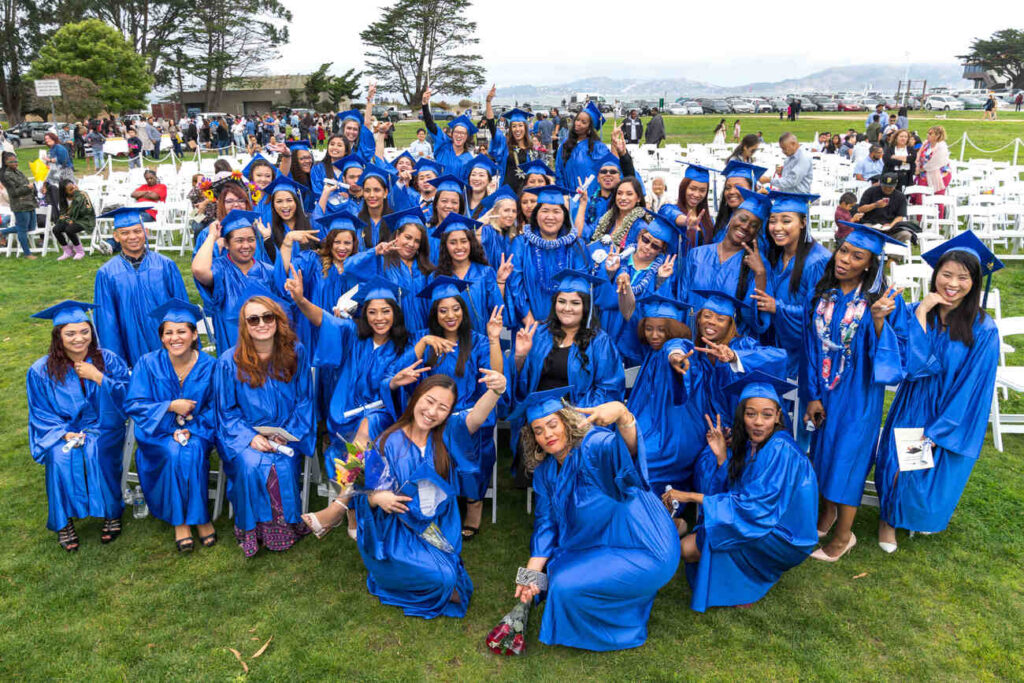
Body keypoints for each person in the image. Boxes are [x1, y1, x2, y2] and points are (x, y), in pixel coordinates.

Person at [513, 388, 679, 651]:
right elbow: (547, 523)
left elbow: (625, 454)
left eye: (553, 424)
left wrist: (624, 417)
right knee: (554, 577)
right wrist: (532, 571)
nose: (548, 434)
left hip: (646, 544)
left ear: (567, 422)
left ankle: (625, 625)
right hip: (608, 541)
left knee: (565, 586)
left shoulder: (591, 446)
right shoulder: (544, 474)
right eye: (538, 430)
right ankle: (620, 604)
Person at [875, 233, 1001, 552]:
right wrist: (920, 313)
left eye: (963, 277)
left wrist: (942, 426)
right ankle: (887, 522)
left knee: (921, 469)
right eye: (946, 274)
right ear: (936, 274)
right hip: (914, 402)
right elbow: (913, 367)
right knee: (898, 464)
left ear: (974, 281)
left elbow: (974, 385)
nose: (953, 283)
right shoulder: (920, 310)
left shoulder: (984, 329)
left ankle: (906, 515)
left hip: (950, 408)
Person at [356, 370, 506, 618]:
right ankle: (393, 575)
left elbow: (477, 417)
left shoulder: (447, 434)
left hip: (436, 526)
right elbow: (364, 492)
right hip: (397, 530)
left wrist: (496, 390)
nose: (432, 412)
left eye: (443, 407)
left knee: (449, 579)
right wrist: (377, 498)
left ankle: (427, 577)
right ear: (416, 397)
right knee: (446, 580)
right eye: (429, 401)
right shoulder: (386, 441)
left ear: (449, 413)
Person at [669, 372, 818, 612]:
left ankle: (756, 575)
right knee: (689, 550)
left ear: (778, 416)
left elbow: (752, 508)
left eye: (767, 415)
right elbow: (737, 491)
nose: (758, 422)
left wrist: (688, 496)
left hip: (783, 532)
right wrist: (720, 457)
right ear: (742, 415)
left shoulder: (781, 449)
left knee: (688, 549)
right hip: (759, 520)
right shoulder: (751, 444)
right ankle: (746, 576)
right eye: (751, 414)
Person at [803, 223, 908, 562]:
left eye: (856, 256)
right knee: (824, 454)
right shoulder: (823, 294)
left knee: (847, 460)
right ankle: (828, 514)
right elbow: (810, 348)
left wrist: (878, 322)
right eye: (843, 251)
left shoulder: (883, 300)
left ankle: (843, 537)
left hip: (860, 396)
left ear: (870, 264)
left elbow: (898, 354)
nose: (845, 259)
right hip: (826, 390)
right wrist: (813, 396)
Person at [214, 291, 315, 557]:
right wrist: (249, 437)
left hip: (287, 432)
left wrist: (287, 433)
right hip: (245, 434)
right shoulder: (229, 361)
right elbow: (226, 410)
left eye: (267, 317)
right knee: (250, 463)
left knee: (280, 463)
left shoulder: (296, 353)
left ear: (278, 320)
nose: (261, 324)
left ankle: (283, 529)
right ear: (244, 326)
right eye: (253, 319)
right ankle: (252, 532)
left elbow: (305, 400)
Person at [26, 301, 130, 551]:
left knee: (96, 449)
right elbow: (39, 412)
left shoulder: (108, 360)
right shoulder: (40, 371)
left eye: (84, 331)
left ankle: (111, 512)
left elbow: (130, 397)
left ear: (91, 332)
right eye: (70, 333)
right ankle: (64, 523)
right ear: (58, 336)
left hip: (104, 426)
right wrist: (62, 433)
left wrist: (99, 377)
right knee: (59, 456)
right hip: (62, 430)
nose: (78, 338)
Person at [509, 269, 626, 480]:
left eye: (575, 303)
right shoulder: (540, 334)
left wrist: (574, 417)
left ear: (586, 307)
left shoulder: (599, 342)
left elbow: (609, 388)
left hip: (578, 415)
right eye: (562, 301)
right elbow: (521, 385)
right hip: (539, 414)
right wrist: (520, 356)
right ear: (554, 304)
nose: (567, 308)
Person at [125, 299, 218, 552]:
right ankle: (184, 522)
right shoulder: (147, 363)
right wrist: (169, 406)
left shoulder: (211, 366)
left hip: (198, 429)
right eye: (168, 333)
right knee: (174, 451)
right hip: (157, 433)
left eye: (181, 331)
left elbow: (217, 408)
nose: (175, 338)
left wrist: (194, 429)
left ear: (194, 334)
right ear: (161, 337)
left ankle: (198, 518)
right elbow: (134, 403)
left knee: (193, 449)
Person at [753, 192, 832, 388]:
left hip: (803, 354)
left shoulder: (817, 261)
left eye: (786, 221)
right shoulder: (779, 256)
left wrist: (776, 308)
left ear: (803, 222)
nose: (777, 228)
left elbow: (819, 314)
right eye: (772, 221)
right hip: (781, 346)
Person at [93, 207, 189, 367]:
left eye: (137, 231)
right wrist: (115, 362)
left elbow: (181, 307)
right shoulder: (107, 273)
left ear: (145, 232)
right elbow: (106, 320)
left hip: (166, 341)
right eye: (124, 233)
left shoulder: (165, 265)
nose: (132, 237)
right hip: (129, 341)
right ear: (115, 237)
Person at [674, 188, 771, 337]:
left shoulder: (757, 264)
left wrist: (760, 274)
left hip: (729, 347)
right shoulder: (697, 254)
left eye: (753, 225)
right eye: (743, 219)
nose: (745, 227)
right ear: (732, 217)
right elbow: (681, 300)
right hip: (692, 340)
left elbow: (756, 320)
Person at [191, 210, 277, 355]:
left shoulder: (268, 271)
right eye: (239, 240)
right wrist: (212, 236)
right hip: (231, 344)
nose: (246, 245)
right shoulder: (220, 268)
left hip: (265, 346)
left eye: (251, 239)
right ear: (226, 244)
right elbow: (199, 270)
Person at [343, 206, 435, 332]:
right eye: (408, 237)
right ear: (397, 234)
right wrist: (374, 251)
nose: (411, 244)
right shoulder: (382, 262)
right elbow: (348, 267)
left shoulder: (425, 270)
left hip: (423, 334)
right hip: (393, 336)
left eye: (417, 241)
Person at [507, 186, 590, 323]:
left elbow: (581, 286)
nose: (550, 217)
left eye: (556, 211)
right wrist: (529, 321)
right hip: (530, 326)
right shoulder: (521, 244)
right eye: (544, 211)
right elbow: (515, 284)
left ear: (564, 215)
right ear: (536, 214)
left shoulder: (576, 246)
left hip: (568, 325)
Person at [555, 102, 613, 190]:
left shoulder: (598, 147)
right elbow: (559, 170)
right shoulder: (565, 144)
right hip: (568, 197)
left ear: (590, 127)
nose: (578, 123)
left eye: (583, 122)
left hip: (591, 198)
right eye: (577, 120)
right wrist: (563, 194)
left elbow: (607, 172)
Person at [0, 151, 38, 258]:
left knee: (31, 227)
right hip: (20, 205)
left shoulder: (18, 172)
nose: (15, 163)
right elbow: (13, 193)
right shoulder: (6, 175)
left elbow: (25, 184)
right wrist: (28, 187)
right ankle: (27, 253)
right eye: (12, 161)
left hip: (30, 203)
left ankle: (3, 232)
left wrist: (32, 187)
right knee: (22, 229)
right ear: (6, 162)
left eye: (16, 160)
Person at [855, 172, 912, 242]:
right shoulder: (871, 191)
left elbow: (900, 216)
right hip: (871, 223)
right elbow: (860, 209)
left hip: (890, 226)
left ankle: (895, 252)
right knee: (866, 229)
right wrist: (875, 205)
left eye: (890, 187)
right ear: (881, 184)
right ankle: (870, 251)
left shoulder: (900, 196)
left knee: (906, 234)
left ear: (895, 185)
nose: (887, 189)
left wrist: (890, 225)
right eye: (885, 186)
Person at [53, 179, 94, 261]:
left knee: (69, 229)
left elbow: (87, 211)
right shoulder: (63, 199)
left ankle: (80, 251)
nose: (74, 189)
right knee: (56, 229)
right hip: (71, 220)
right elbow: (63, 213)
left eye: (74, 186)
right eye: (71, 189)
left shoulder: (82, 195)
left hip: (85, 220)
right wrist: (67, 219)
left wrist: (71, 218)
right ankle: (67, 252)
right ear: (65, 192)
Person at [915, 126, 952, 217]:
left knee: (938, 199)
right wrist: (917, 165)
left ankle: (938, 222)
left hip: (939, 175)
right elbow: (919, 156)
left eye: (931, 133)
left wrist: (923, 168)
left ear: (938, 135)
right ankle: (920, 221)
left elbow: (936, 162)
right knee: (920, 197)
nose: (928, 135)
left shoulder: (942, 147)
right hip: (923, 174)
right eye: (928, 133)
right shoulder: (925, 144)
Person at [42, 132, 74, 224]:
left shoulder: (59, 147)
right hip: (55, 173)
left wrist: (50, 160)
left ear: (53, 138)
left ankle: (68, 215)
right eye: (46, 139)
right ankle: (57, 216)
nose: (47, 140)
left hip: (64, 173)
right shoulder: (51, 149)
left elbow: (62, 160)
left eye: (48, 138)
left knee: (66, 193)